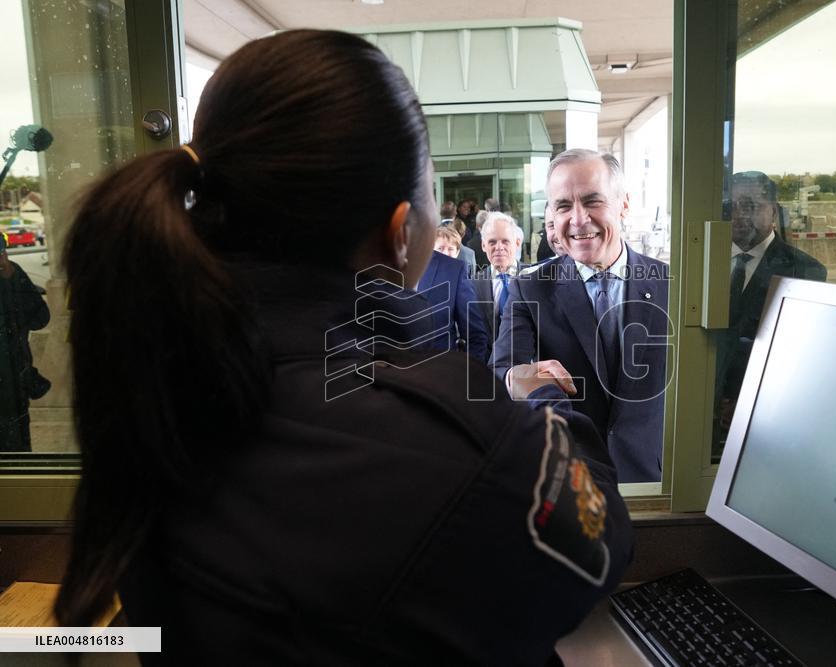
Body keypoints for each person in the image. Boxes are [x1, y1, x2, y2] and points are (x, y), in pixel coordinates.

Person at [55, 30, 631, 665]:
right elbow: (593, 556)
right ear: (399, 233)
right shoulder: (467, 450)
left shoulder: (155, 391)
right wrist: (549, 418)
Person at [492, 150, 670, 483]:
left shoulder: (672, 286)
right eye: (562, 206)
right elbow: (501, 370)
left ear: (624, 205)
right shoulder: (529, 289)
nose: (578, 219)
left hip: (657, 484)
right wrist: (520, 377)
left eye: (592, 201)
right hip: (569, 486)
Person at [714, 171, 827, 453]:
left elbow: (802, 358)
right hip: (700, 413)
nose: (738, 214)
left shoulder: (805, 272)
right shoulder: (700, 261)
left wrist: (744, 399)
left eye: (749, 205)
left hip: (763, 420)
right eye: (730, 206)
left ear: (773, 211)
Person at [0, 235, 50, 451]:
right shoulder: (12, 274)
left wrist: (9, 276)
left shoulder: (12, 274)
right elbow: (39, 318)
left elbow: (40, 318)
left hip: (14, 376)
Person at [419, 240, 489, 363]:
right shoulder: (376, 264)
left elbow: (476, 336)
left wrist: (465, 375)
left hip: (439, 374)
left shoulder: (453, 269)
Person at [472, 212, 523, 361]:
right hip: (487, 369)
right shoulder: (472, 284)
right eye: (492, 242)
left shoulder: (534, 278)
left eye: (505, 241)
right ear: (483, 245)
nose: (499, 247)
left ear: (517, 243)